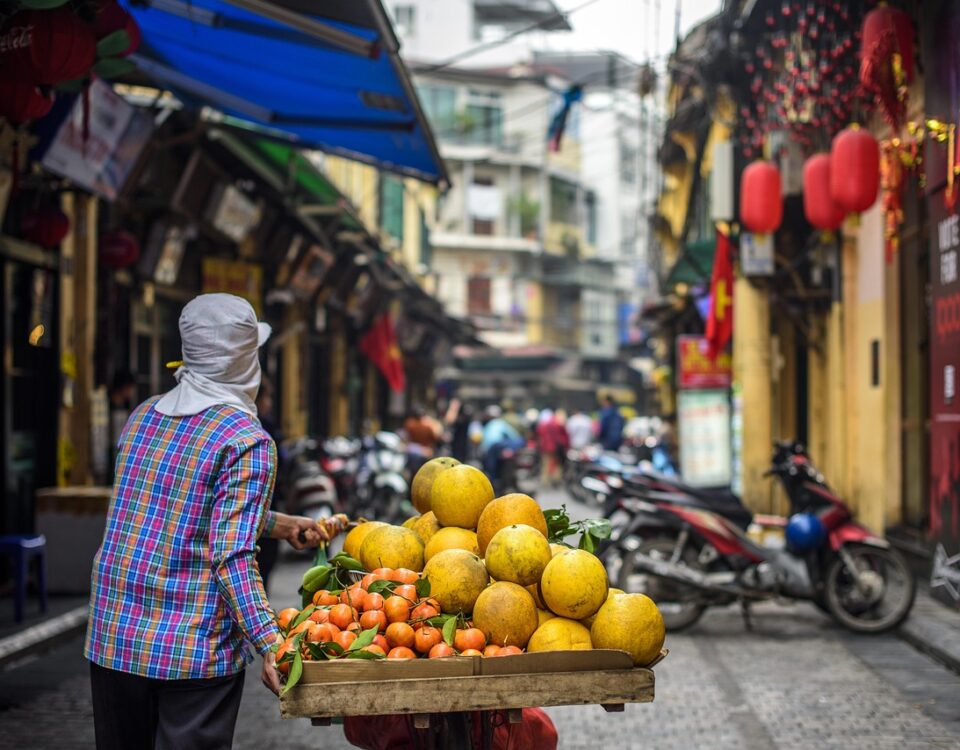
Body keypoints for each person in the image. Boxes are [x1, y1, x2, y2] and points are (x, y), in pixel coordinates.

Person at [85, 294, 324, 750]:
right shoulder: (246, 440)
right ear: (247, 362)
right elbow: (230, 554)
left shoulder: (143, 416)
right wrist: (272, 642)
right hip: (191, 651)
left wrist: (276, 523)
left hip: (114, 637)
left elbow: (173, 507)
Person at [255, 377, 283, 591]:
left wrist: (287, 525)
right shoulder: (255, 436)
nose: (270, 402)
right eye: (267, 397)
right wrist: (265, 625)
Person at [479, 405, 523, 485]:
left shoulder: (487, 425)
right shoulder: (501, 423)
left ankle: (493, 482)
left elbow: (483, 442)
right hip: (498, 446)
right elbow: (514, 436)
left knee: (491, 469)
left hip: (489, 450)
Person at [536, 409, 568, 488]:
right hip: (556, 447)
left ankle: (545, 481)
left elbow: (538, 434)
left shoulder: (543, 424)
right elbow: (564, 436)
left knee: (546, 464)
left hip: (545, 447)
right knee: (557, 464)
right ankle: (555, 480)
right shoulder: (558, 424)